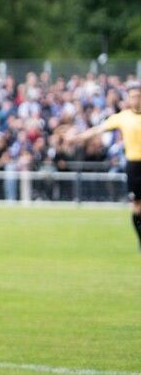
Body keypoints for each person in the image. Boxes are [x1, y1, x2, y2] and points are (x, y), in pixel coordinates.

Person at [72, 82, 141, 250]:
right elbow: (98, 129)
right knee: (137, 208)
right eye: (133, 96)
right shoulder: (123, 117)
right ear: (129, 99)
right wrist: (80, 137)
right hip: (134, 166)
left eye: (139, 96)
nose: (136, 99)